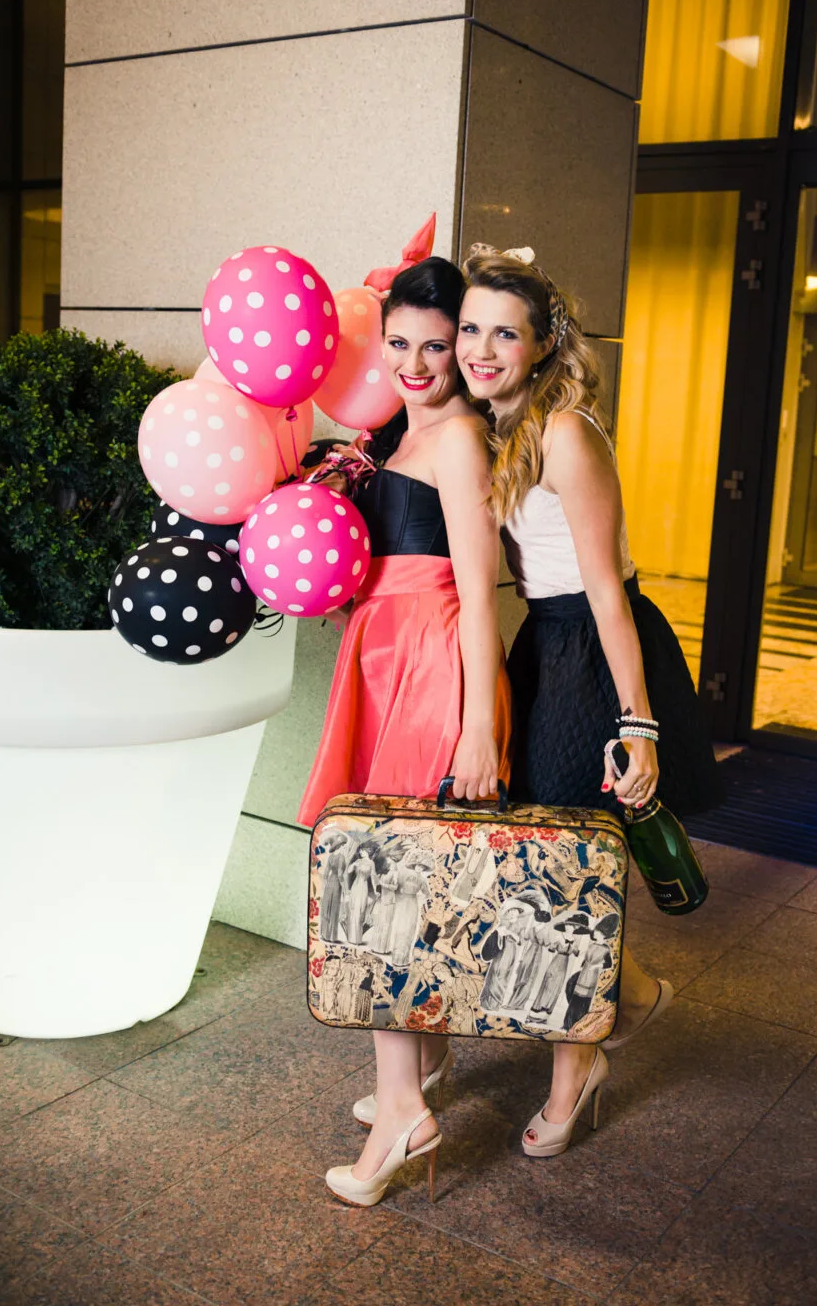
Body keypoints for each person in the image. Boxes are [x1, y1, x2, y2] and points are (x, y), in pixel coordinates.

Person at [456, 245, 723, 1159]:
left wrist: (637, 722)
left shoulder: (567, 431)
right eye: (470, 329)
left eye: (505, 332)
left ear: (542, 345)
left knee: (563, 864)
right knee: (546, 854)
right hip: (546, 645)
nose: (481, 348)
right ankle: (633, 993)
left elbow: (609, 590)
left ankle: (578, 1066)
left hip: (596, 649)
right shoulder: (491, 425)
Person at [299, 255, 512, 1207]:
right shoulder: (399, 431)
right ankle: (414, 1072)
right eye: (401, 345)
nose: (419, 364)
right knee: (400, 872)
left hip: (431, 667)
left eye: (438, 346)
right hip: (387, 659)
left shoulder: (460, 440)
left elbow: (478, 593)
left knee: (386, 887)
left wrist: (476, 727)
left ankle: (402, 1114)